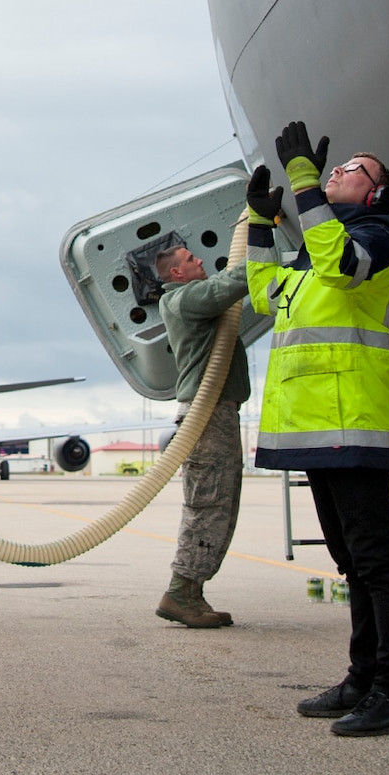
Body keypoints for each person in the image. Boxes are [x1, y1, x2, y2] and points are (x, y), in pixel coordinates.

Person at [245, 123, 389, 737]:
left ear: (376, 195)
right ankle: (363, 678)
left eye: (355, 168)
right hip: (317, 429)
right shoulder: (316, 249)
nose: (337, 170)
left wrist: (302, 182)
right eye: (336, 166)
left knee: (379, 561)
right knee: (353, 562)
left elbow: (343, 263)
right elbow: (267, 295)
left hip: (352, 425)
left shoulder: (383, 238)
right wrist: (262, 223)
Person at [152, 245, 250, 630]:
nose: (200, 261)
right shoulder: (183, 300)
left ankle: (193, 593)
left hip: (217, 414)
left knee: (221, 504)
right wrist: (261, 238)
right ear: (176, 274)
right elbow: (235, 282)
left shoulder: (193, 300)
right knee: (208, 504)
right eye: (191, 259)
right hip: (205, 415)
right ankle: (180, 591)